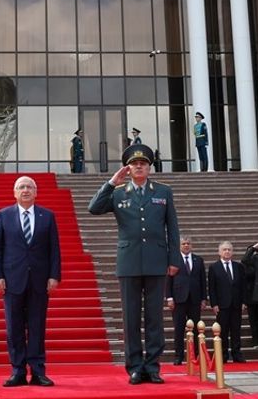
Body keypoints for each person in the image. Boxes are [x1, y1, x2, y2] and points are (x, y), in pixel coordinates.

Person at [88, 145, 180, 384]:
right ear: (128, 168)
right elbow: (93, 208)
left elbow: (173, 228)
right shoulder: (118, 193)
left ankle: (153, 366)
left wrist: (174, 259)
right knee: (130, 318)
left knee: (154, 319)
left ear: (149, 167)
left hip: (156, 260)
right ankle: (135, 367)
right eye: (134, 164)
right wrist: (110, 183)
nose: (139, 167)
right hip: (128, 262)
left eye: (143, 164)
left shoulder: (163, 192)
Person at [0, 175, 61, 387]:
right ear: (15, 193)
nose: (26, 190)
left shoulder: (47, 216)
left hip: (40, 280)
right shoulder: (3, 216)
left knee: (37, 326)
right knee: (14, 327)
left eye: (29, 187)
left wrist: (54, 276)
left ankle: (38, 371)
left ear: (36, 192)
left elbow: (54, 250)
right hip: (12, 280)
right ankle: (18, 371)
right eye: (21, 187)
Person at [167, 236, 205, 365]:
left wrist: (203, 298)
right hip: (178, 299)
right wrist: (169, 297)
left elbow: (202, 280)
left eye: (188, 243)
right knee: (179, 328)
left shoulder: (198, 260)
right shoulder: (173, 260)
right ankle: (178, 356)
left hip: (195, 299)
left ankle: (196, 355)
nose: (186, 245)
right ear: (180, 246)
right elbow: (168, 280)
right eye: (184, 243)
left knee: (195, 328)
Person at [206, 242, 245, 363]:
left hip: (236, 303)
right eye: (224, 250)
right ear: (219, 252)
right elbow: (211, 287)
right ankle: (223, 354)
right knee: (222, 331)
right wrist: (214, 304)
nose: (227, 252)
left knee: (236, 330)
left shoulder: (238, 267)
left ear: (232, 252)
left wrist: (243, 301)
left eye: (229, 250)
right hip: (222, 305)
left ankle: (236, 353)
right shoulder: (214, 267)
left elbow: (243, 286)